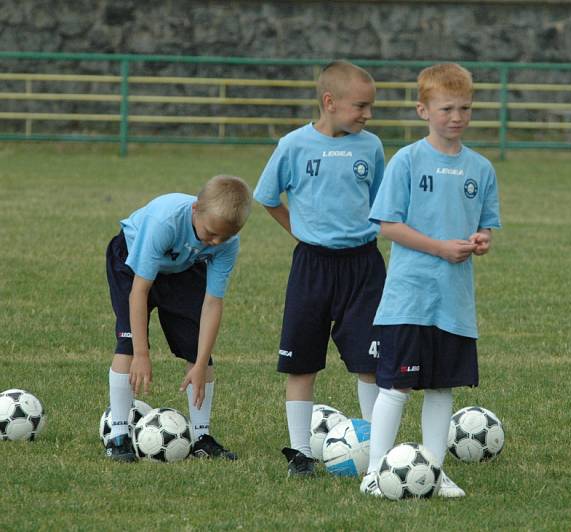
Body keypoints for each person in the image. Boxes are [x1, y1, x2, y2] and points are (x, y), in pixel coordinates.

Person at [359, 63, 501, 498]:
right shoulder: (407, 160)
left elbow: (487, 226)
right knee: (396, 385)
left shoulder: (481, 168)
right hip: (410, 297)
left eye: (465, 108)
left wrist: (480, 239)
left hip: (453, 301)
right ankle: (376, 472)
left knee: (442, 387)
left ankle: (435, 471)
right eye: (446, 108)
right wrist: (439, 248)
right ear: (423, 110)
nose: (456, 117)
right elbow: (387, 225)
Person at [253, 60, 386, 477]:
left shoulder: (372, 147)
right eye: (359, 106)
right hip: (312, 266)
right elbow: (268, 196)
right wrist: (303, 232)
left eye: (369, 107)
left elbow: (382, 205)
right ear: (329, 102)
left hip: (364, 265)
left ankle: (376, 448)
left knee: (371, 361)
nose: (367, 114)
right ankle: (299, 453)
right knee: (301, 362)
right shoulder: (293, 145)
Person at [104, 174, 252, 462]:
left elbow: (212, 303)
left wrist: (199, 362)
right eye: (210, 233)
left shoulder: (225, 243)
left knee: (199, 352)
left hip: (182, 268)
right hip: (131, 265)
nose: (216, 242)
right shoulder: (165, 222)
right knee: (127, 345)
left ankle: (201, 437)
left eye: (224, 237)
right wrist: (142, 353)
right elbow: (139, 291)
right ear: (196, 209)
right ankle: (119, 435)